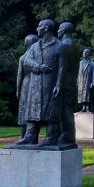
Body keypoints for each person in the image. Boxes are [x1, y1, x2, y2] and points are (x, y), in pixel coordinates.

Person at [15, 19, 63, 147]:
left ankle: (51, 137)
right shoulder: (35, 46)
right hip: (35, 84)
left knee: (50, 112)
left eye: (40, 26)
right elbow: (27, 61)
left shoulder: (59, 45)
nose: (37, 28)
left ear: (46, 28)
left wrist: (59, 84)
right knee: (33, 111)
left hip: (50, 83)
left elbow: (62, 68)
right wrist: (39, 66)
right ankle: (30, 136)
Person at [56, 22, 79, 147]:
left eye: (59, 29)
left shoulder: (63, 46)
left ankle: (66, 137)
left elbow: (61, 67)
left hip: (65, 81)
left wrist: (58, 84)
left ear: (64, 30)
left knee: (64, 110)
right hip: (72, 80)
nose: (58, 31)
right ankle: (68, 136)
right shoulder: (74, 46)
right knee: (68, 109)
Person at [16, 34, 40, 139]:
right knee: (30, 109)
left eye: (25, 41)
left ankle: (23, 137)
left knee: (23, 109)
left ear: (28, 43)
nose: (24, 43)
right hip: (35, 84)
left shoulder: (23, 57)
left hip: (26, 84)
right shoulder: (38, 57)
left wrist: (18, 89)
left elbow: (19, 76)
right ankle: (29, 136)